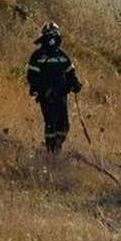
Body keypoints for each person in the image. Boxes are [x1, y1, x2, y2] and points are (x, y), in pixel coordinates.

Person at [26, 22, 83, 153]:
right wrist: (43, 91)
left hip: (61, 95)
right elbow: (32, 77)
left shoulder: (62, 56)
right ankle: (51, 151)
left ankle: (57, 147)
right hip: (46, 96)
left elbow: (70, 73)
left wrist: (75, 84)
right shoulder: (38, 56)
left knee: (64, 125)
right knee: (51, 124)